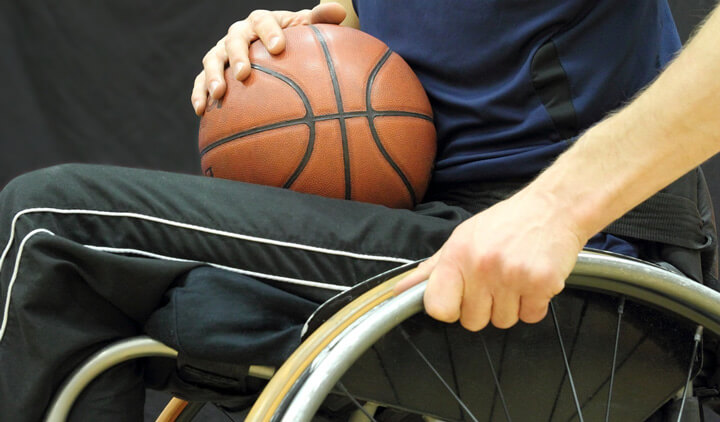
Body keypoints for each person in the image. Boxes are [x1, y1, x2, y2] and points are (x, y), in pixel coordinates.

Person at [0, 0, 717, 420]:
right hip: (429, 227)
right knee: (164, 296)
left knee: (50, 229)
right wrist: (310, 54)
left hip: (591, 269)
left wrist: (559, 208)